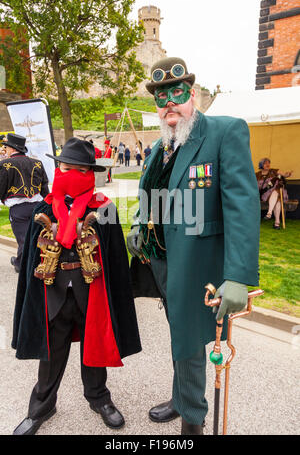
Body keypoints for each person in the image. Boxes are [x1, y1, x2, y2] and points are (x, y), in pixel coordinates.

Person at [127, 57, 260, 435]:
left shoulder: (224, 131)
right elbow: (150, 196)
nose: (169, 103)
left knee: (187, 339)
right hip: (163, 261)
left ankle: (192, 421)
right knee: (179, 335)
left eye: (177, 93)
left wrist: (237, 276)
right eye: (161, 97)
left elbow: (242, 205)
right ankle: (182, 394)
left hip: (199, 263)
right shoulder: (159, 148)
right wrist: (140, 222)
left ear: (193, 95)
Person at [12, 137, 141, 435]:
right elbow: (31, 257)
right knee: (51, 353)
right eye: (64, 167)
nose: (68, 173)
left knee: (94, 347)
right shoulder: (43, 208)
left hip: (91, 292)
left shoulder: (103, 208)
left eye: (77, 169)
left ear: (89, 173)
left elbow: (114, 257)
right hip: (53, 292)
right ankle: (41, 407)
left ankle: (99, 398)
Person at [0, 133, 49, 272]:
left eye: (6, 147)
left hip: (18, 209)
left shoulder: (4, 164)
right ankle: (26, 261)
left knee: (23, 239)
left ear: (11, 148)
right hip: (38, 206)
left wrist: (3, 198)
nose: (5, 150)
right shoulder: (37, 163)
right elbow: (44, 187)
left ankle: (21, 265)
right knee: (36, 236)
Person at [256, 158, 292, 230]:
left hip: (278, 191)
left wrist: (287, 174)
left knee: (276, 192)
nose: (267, 164)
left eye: (268, 163)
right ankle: (276, 223)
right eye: (265, 163)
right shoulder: (257, 175)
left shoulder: (274, 171)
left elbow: (284, 175)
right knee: (277, 201)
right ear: (261, 165)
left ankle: (269, 213)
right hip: (265, 194)